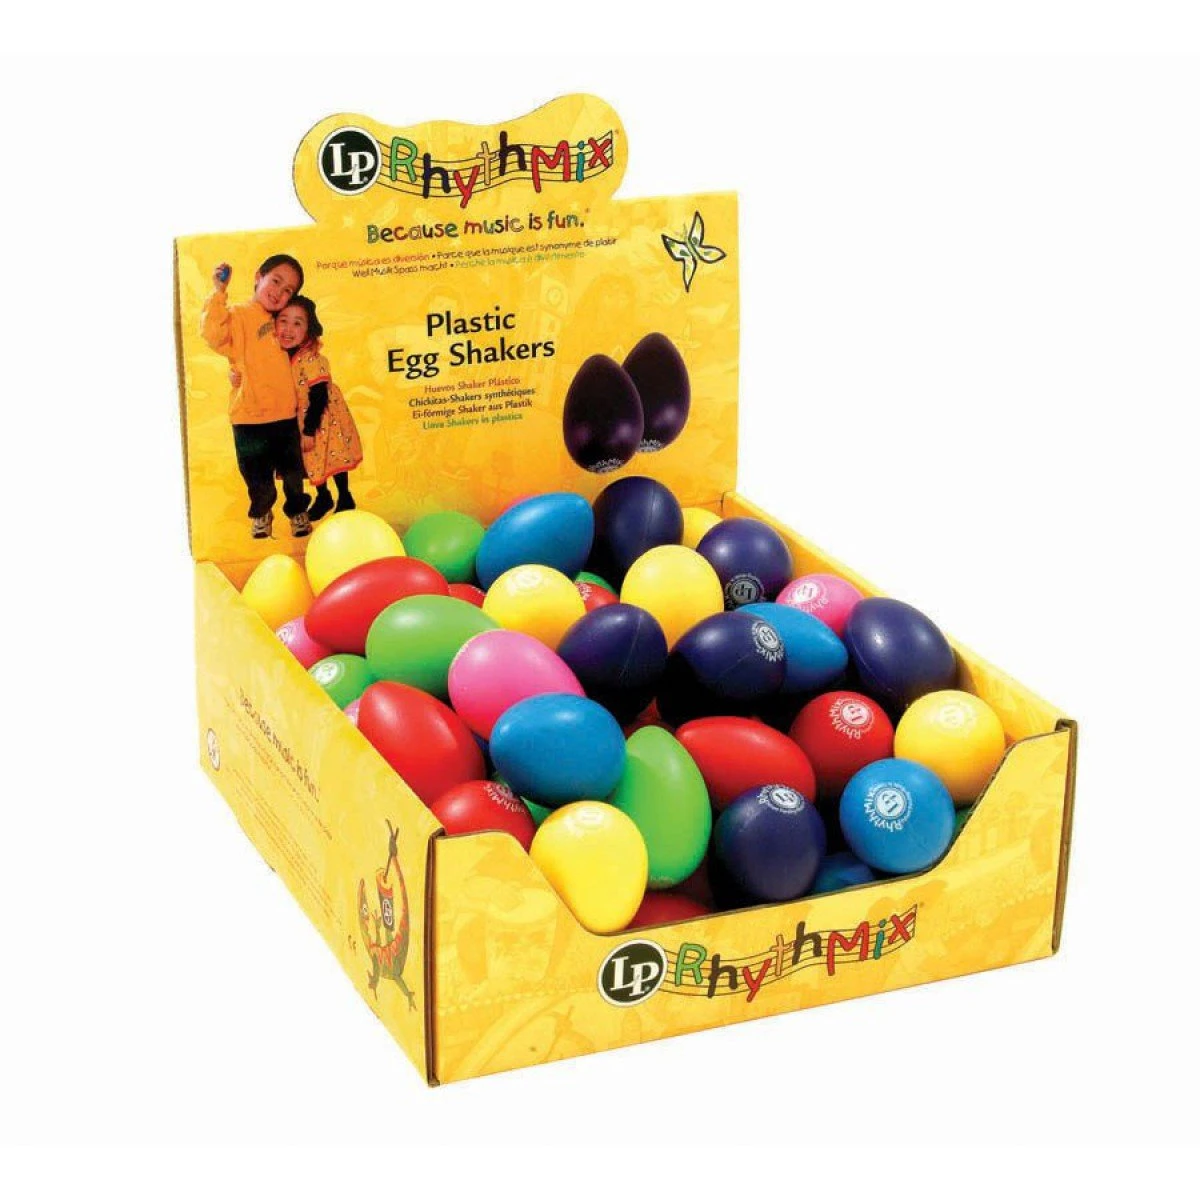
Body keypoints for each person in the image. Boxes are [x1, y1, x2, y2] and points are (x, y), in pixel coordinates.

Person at [201, 255, 312, 539]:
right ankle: (262, 512)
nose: (279, 292)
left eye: (288, 290)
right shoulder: (237, 314)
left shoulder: (285, 321)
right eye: (275, 281)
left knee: (293, 472)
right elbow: (212, 334)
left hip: (285, 414)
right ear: (258, 277)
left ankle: (297, 510)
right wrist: (218, 292)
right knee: (256, 475)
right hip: (248, 417)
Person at [274, 295, 362, 520]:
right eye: (283, 321)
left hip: (322, 417)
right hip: (299, 416)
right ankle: (324, 496)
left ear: (308, 330)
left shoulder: (310, 358)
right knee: (312, 460)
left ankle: (344, 495)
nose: (288, 329)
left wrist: (309, 430)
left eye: (297, 323)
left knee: (334, 454)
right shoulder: (278, 355)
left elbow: (319, 395)